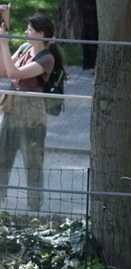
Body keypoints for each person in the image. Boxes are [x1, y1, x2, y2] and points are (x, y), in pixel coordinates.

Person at [0, 13, 62, 213]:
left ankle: (34, 209)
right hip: (12, 108)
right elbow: (3, 70)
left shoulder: (47, 59)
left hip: (33, 114)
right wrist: (1, 45)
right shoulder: (26, 48)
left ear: (40, 34)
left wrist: (4, 44)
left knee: (32, 161)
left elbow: (14, 73)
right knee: (2, 158)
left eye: (29, 29)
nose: (26, 32)